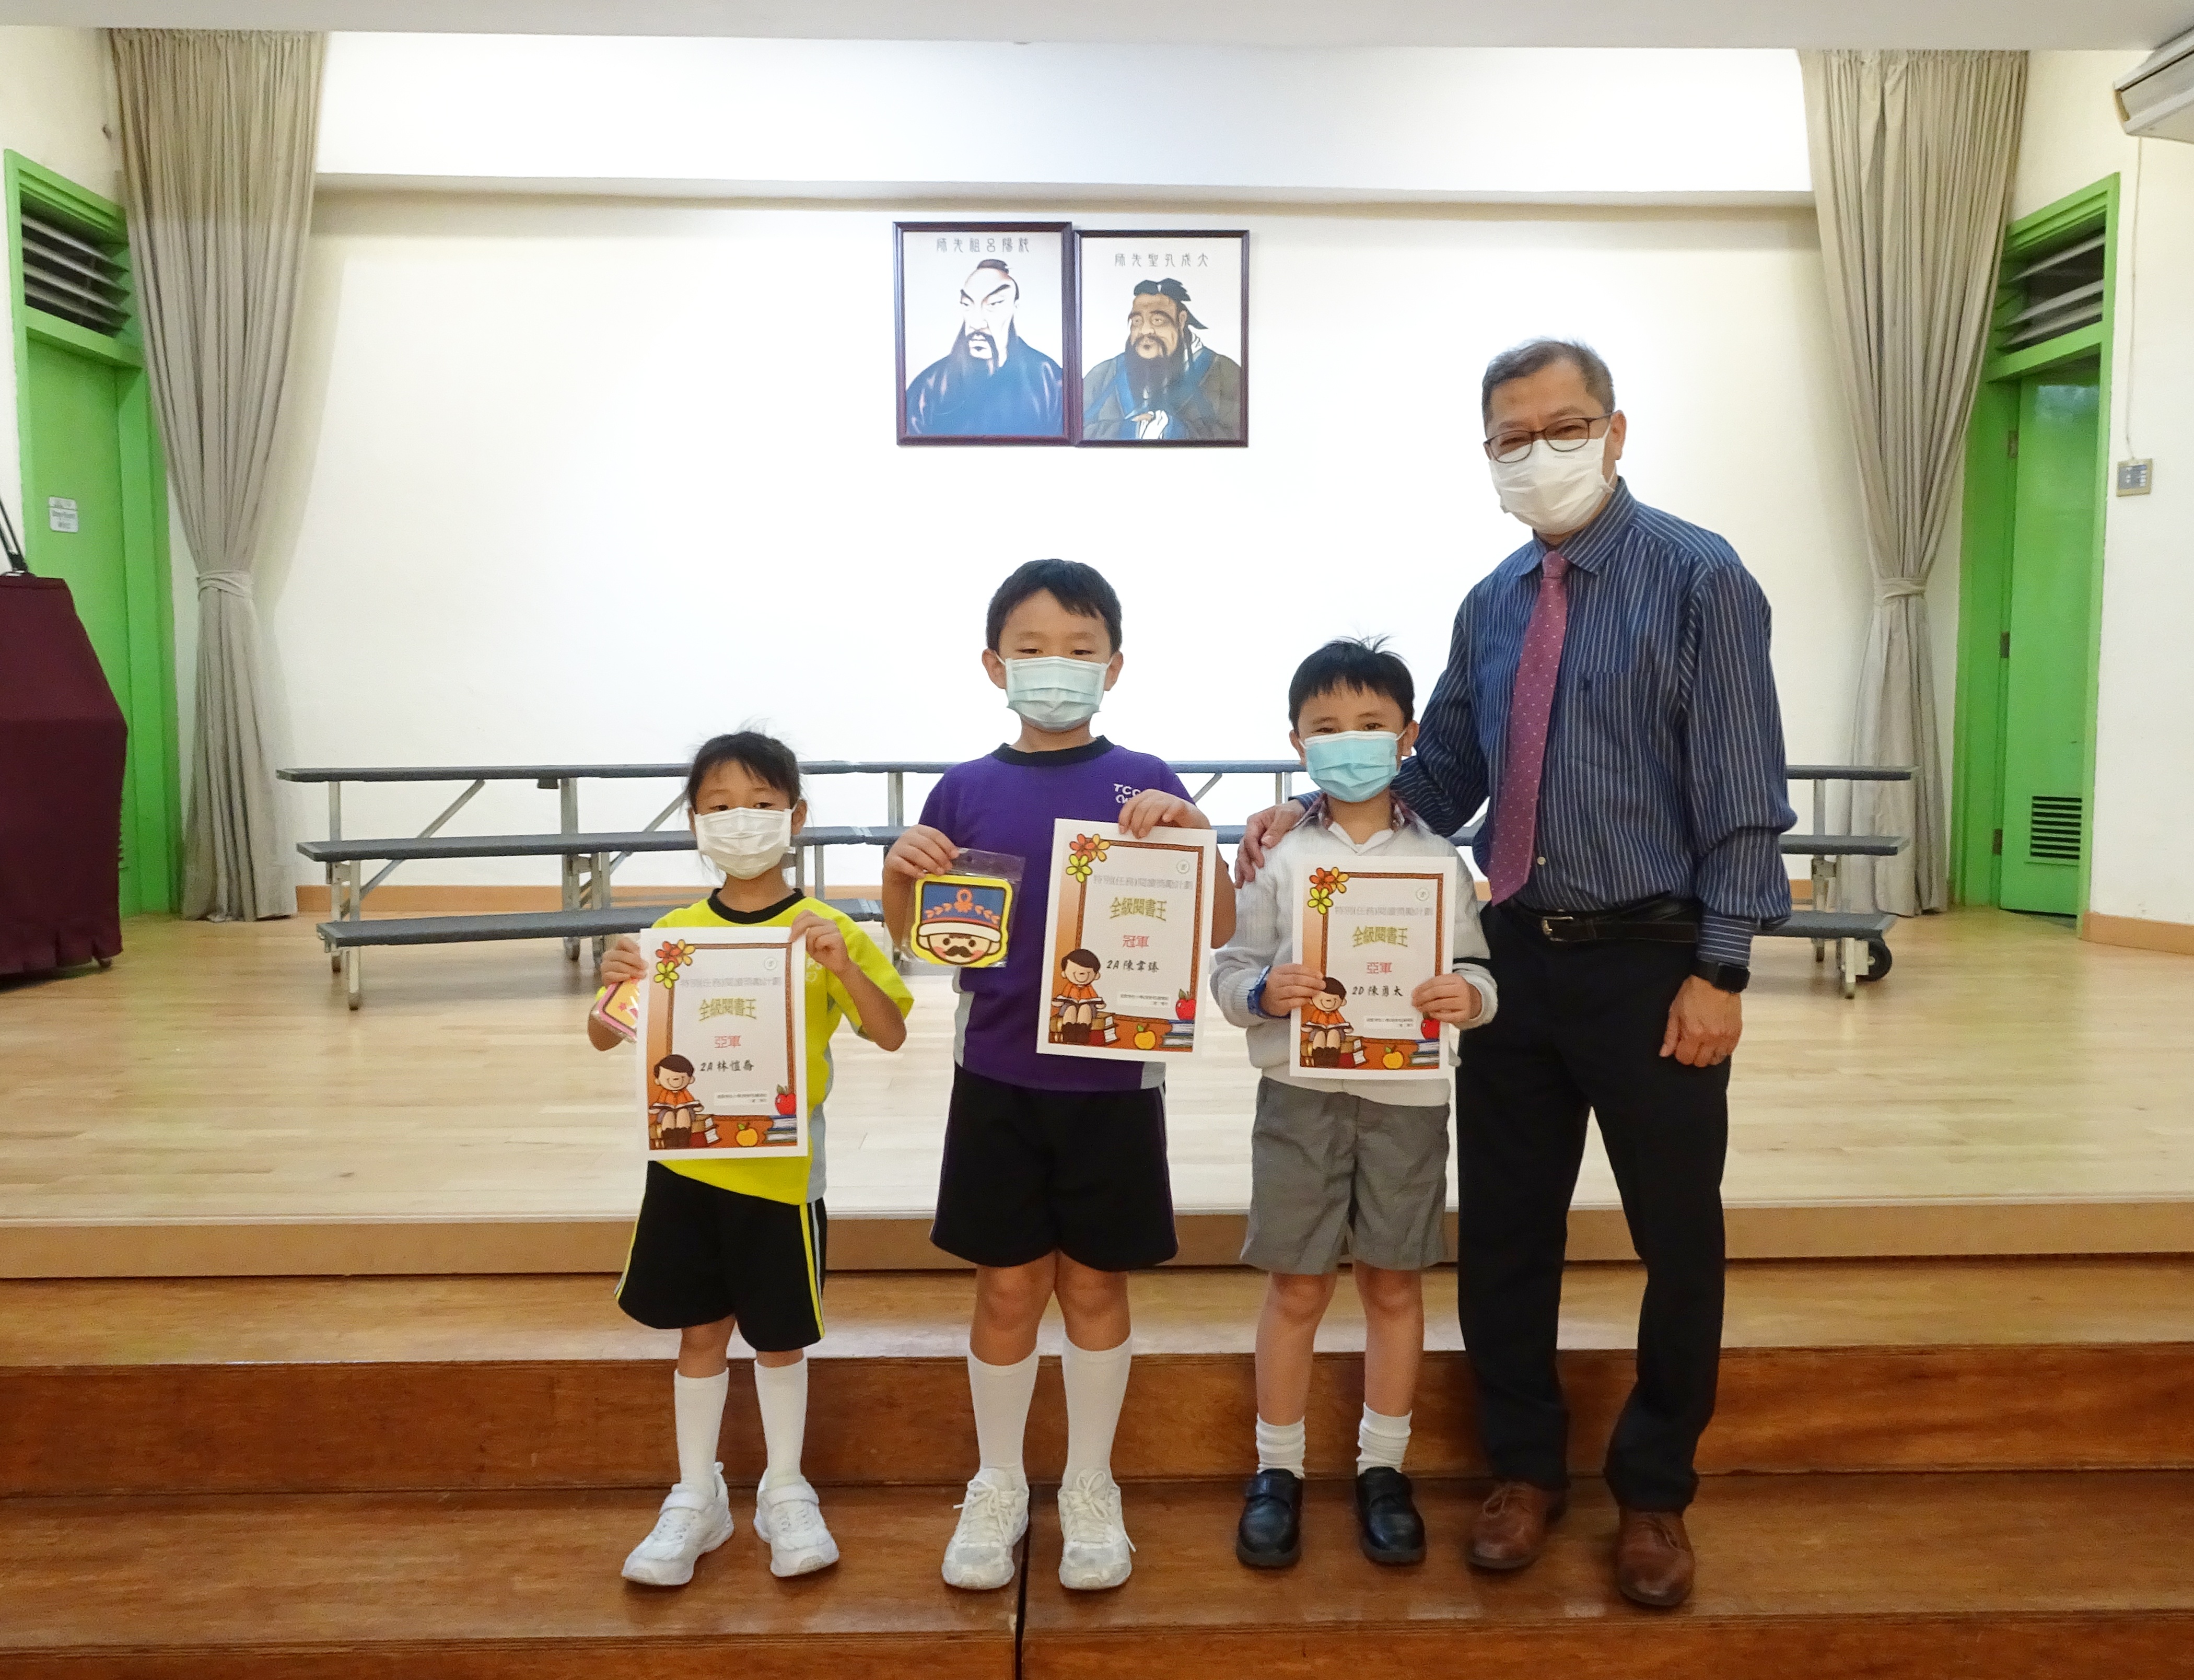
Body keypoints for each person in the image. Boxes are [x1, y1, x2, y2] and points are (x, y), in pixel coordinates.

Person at [1234, 340, 1794, 1609]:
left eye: (1567, 425)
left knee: (1679, 1237)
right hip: (1512, 957)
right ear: (1486, 453)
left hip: (1655, 959)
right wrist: (1301, 815)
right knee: (1504, 1236)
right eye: (1512, 437)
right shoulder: (1491, 603)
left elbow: (1743, 791)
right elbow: (1436, 780)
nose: (1541, 452)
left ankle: (1654, 1490)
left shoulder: (1701, 579)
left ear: (1617, 431)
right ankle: (1526, 1468)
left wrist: (1722, 967)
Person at [882, 558, 1236, 1593]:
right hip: (997, 1077)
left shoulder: (1148, 780)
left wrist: (1196, 840)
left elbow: (1213, 925)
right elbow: (920, 940)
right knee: (1006, 1286)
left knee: (1094, 1283)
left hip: (1114, 1085)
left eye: (1080, 649)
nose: (1056, 666)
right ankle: (996, 1480)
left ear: (1113, 667)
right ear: (993, 664)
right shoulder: (964, 788)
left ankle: (1090, 1481)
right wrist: (898, 875)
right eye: (1032, 648)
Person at [591, 731, 914, 1586]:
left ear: (796, 817)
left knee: (778, 1341)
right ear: (695, 821)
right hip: (687, 1170)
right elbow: (605, 1033)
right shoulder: (672, 936)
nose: (743, 820)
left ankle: (785, 1488)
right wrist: (616, 978)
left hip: (781, 1177)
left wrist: (843, 966)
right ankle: (696, 1495)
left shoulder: (828, 931)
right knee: (699, 1333)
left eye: (763, 804)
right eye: (722, 806)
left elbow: (889, 1031)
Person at [1211, 637, 1497, 1571]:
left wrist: (1469, 998)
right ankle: (1277, 1470)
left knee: (1394, 1284)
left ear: (1408, 737)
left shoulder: (1440, 862)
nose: (1349, 742)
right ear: (1298, 744)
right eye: (1326, 727)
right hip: (1298, 1096)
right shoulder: (1278, 856)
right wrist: (1264, 994)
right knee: (1296, 1285)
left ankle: (1383, 1469)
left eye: (1371, 724)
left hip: (1408, 1100)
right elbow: (1231, 968)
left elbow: (1478, 970)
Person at [904, 257, 1066, 437]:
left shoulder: (1049, 378)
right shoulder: (930, 384)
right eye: (967, 305)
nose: (977, 323)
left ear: (1015, 307)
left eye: (994, 304)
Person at [1081, 277, 1243, 441]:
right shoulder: (1103, 375)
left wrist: (1174, 430)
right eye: (1137, 321)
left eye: (1158, 321)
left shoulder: (1225, 373)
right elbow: (1078, 429)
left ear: (1181, 321)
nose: (1145, 330)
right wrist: (1131, 430)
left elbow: (1240, 433)